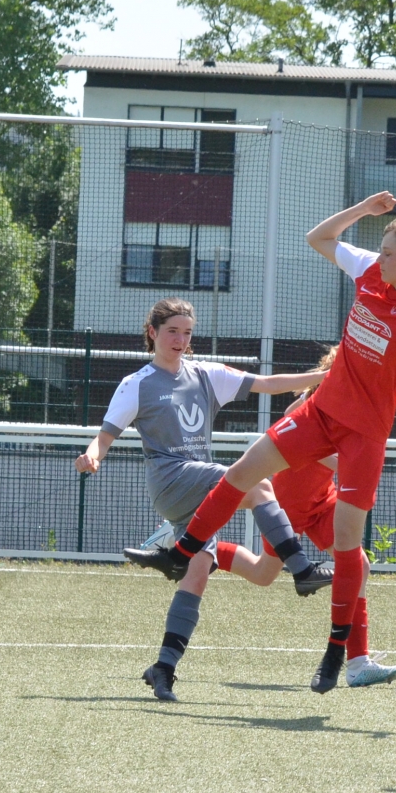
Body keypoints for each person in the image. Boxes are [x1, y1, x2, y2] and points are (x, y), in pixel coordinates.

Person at [164, 192, 396, 692]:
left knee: (346, 552)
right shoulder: (371, 273)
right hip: (320, 416)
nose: (380, 258)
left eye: (389, 252)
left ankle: (341, 654)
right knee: (242, 475)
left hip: (363, 436)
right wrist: (364, 208)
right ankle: (182, 550)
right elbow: (318, 238)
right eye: (380, 250)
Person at [75, 299, 330, 702]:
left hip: (203, 493)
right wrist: (93, 456)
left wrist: (324, 377)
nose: (180, 339)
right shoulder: (136, 383)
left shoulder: (206, 374)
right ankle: (301, 569)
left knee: (196, 576)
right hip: (173, 482)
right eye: (172, 331)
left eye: (187, 332)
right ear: (153, 333)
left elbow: (268, 383)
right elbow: (104, 437)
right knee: (258, 484)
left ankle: (163, 668)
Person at [212, 348, 396, 687]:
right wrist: (356, 455)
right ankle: (205, 550)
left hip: (321, 500)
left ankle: (358, 662)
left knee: (359, 564)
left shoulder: (354, 403)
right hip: (287, 505)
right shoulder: (320, 399)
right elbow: (300, 423)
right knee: (262, 573)